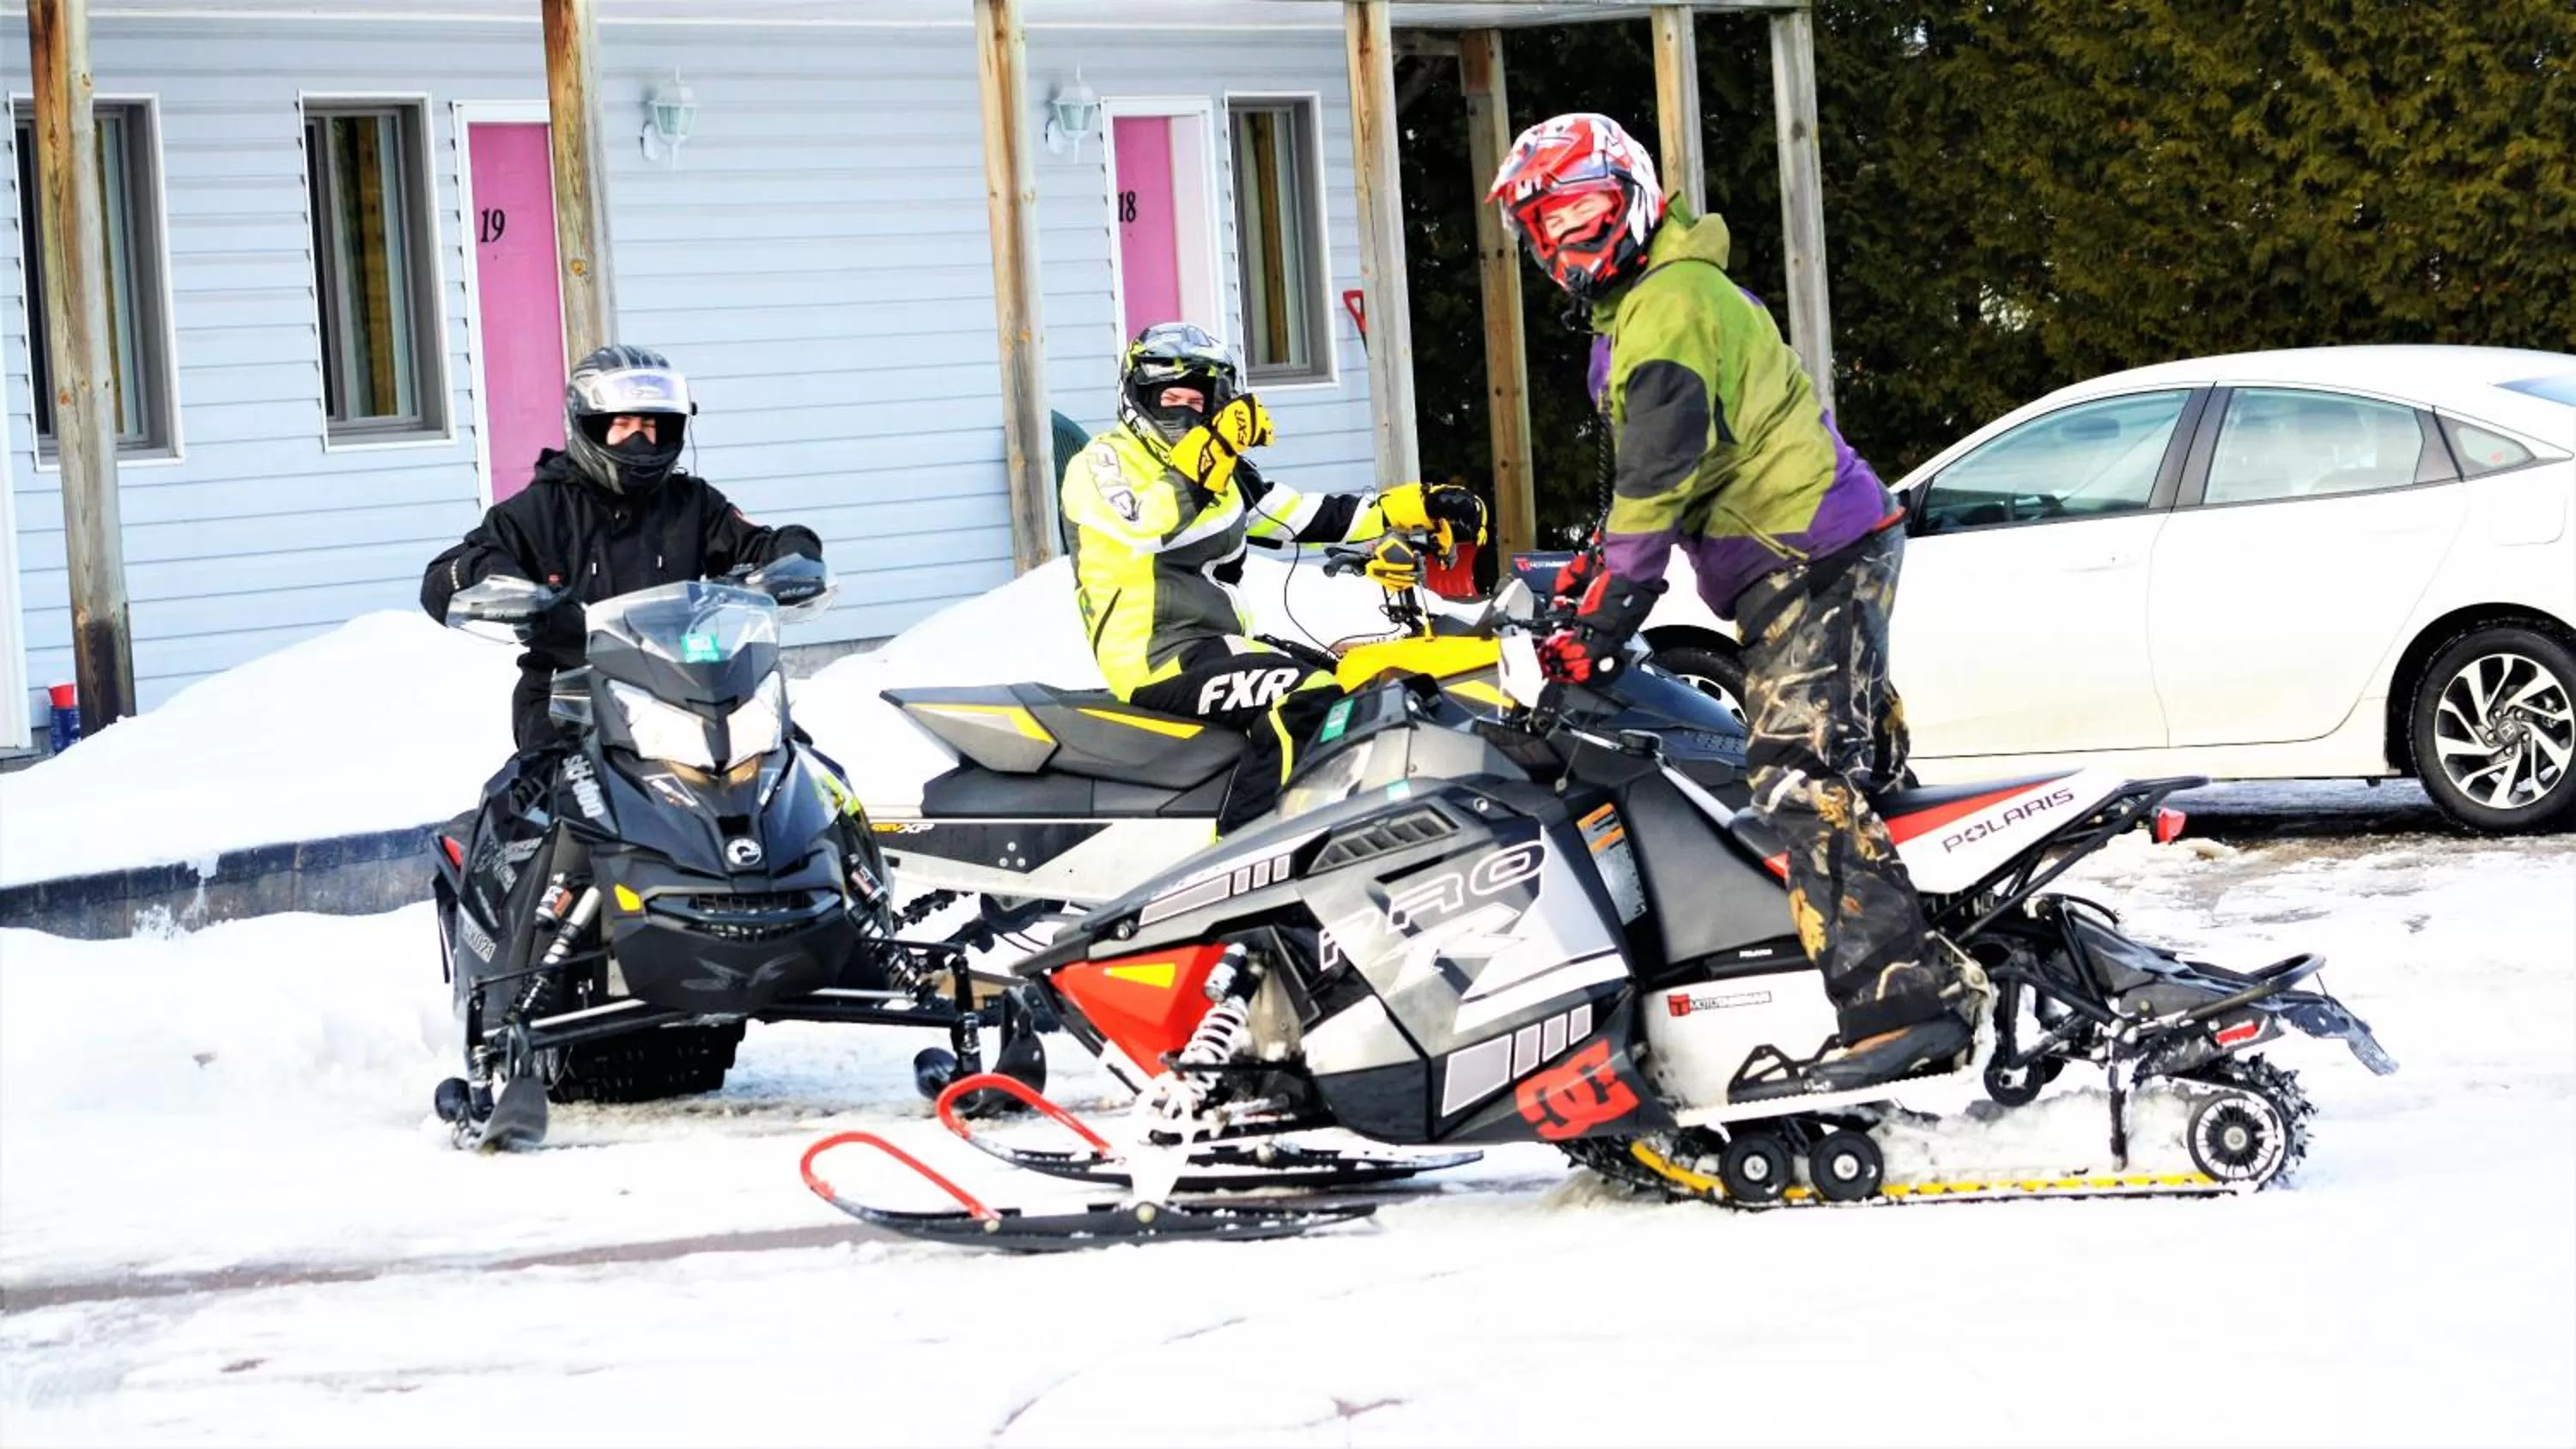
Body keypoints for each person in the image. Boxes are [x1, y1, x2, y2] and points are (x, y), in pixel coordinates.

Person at [1487, 113, 1971, 1091]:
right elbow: (1668, 471)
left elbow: (1660, 470)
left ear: (1629, 195)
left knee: (1797, 774)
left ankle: (1899, 1006)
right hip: (1812, 546)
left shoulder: (1671, 301)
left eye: (1578, 214)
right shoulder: (1654, 304)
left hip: (1808, 551)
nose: (1562, 246)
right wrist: (1593, 570)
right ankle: (1936, 944)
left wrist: (1616, 598)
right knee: (1844, 765)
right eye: (1543, 231)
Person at [1063, 322, 1487, 831]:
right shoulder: (1103, 460)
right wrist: (1212, 450)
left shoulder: (1220, 471)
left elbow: (1301, 516)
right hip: (1156, 655)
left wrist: (1412, 505)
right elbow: (1145, 525)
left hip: (1216, 641)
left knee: (1361, 680)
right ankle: (1243, 855)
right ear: (1140, 397)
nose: (1183, 412)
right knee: (1310, 697)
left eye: (1198, 404)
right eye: (1171, 397)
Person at [421, 343, 823, 793]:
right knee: (544, 812)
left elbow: (760, 543)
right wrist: (498, 582)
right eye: (623, 425)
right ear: (589, 426)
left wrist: (795, 556)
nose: (639, 440)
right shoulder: (539, 509)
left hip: (691, 692)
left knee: (800, 777)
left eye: (651, 426)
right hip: (575, 700)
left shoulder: (692, 504)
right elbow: (446, 574)